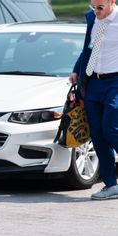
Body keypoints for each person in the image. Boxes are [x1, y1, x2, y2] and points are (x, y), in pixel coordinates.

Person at [69, 0, 118, 200]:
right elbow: (90, 49)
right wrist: (76, 70)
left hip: (115, 81)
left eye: (100, 7)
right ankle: (111, 185)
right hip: (93, 83)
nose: (95, 11)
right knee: (97, 133)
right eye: (92, 6)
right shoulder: (95, 20)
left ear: (112, 2)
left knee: (110, 128)